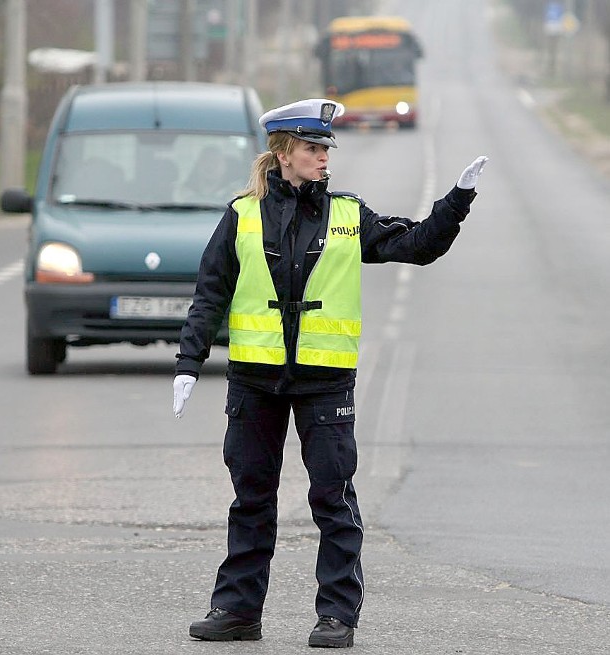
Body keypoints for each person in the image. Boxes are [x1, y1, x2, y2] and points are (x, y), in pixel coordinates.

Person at [172, 98, 487, 647]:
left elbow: (415, 246)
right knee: (251, 498)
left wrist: (455, 202)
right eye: (313, 149)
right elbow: (210, 293)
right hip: (255, 380)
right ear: (284, 152)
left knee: (333, 499)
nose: (323, 158)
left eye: (324, 149)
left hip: (324, 382)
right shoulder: (242, 215)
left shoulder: (346, 215)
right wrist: (188, 364)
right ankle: (239, 611)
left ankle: (337, 614)